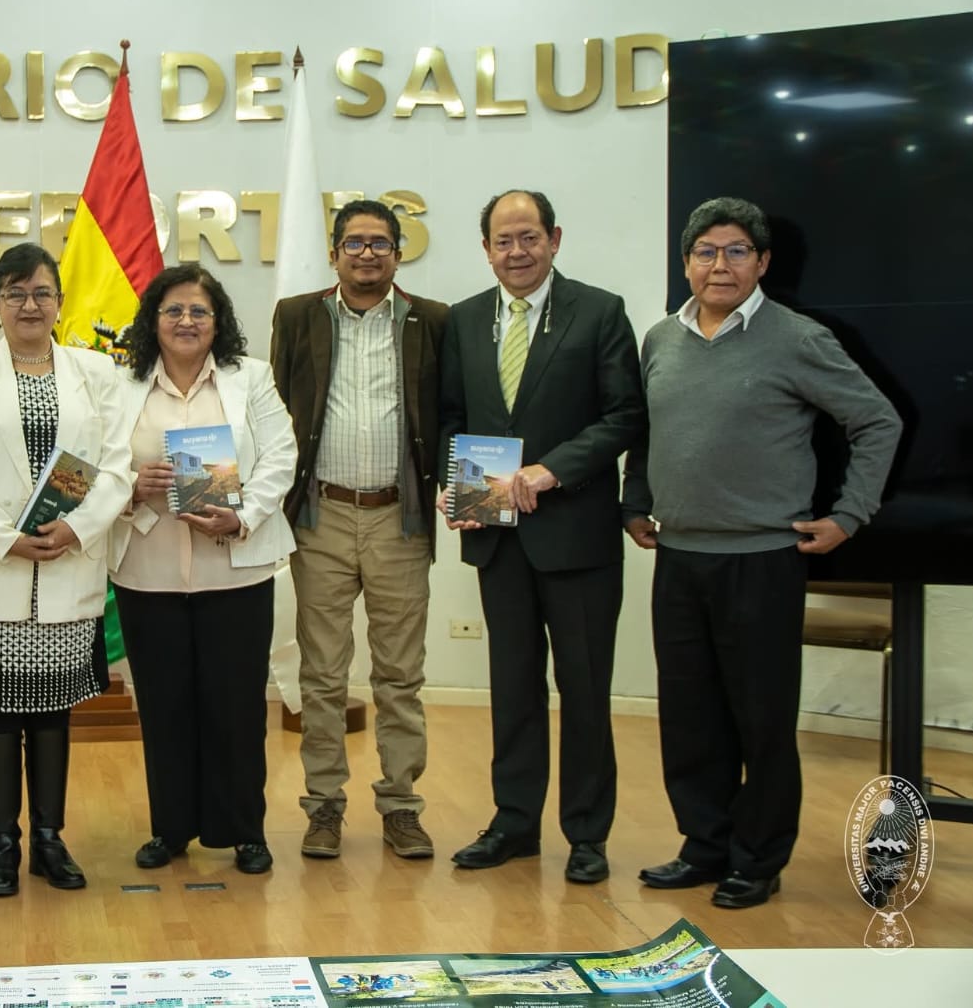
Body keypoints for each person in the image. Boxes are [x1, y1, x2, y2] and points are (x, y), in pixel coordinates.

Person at [623, 196, 900, 909]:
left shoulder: (798, 338)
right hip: (679, 557)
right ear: (687, 262)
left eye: (737, 251)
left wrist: (849, 515)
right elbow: (648, 432)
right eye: (706, 252)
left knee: (762, 721)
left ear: (763, 262)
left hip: (763, 560)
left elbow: (877, 421)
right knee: (690, 717)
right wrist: (635, 499)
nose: (720, 265)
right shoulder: (661, 339)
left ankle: (758, 858)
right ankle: (704, 846)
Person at [438, 190, 644, 884]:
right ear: (486, 249)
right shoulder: (465, 319)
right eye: (503, 240)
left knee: (584, 690)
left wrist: (553, 470)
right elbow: (454, 415)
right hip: (497, 537)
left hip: (577, 538)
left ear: (554, 239)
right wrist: (455, 483)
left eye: (529, 237)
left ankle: (587, 834)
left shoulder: (600, 311)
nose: (517, 252)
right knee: (513, 687)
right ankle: (514, 823)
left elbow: (624, 415)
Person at [0, 242, 131, 897]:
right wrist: (8, 539)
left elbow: (116, 467)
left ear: (59, 303)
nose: (29, 305)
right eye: (15, 293)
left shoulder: (96, 373)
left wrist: (77, 526)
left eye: (42, 292)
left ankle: (49, 840)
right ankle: (2, 845)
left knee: (53, 714)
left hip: (68, 563)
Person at [270, 199, 447, 860]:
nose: (366, 253)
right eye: (354, 242)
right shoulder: (297, 316)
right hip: (321, 518)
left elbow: (449, 414)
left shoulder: (433, 320)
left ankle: (401, 805)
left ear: (398, 253)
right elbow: (276, 409)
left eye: (379, 243)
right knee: (322, 674)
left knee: (400, 675)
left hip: (401, 521)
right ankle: (324, 805)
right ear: (334, 253)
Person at [110, 265, 297, 876]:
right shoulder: (121, 385)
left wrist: (241, 516)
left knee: (237, 708)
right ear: (153, 321)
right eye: (173, 310)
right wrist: (131, 486)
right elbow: (91, 462)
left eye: (199, 311)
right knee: (163, 706)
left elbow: (282, 457)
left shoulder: (252, 378)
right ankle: (170, 830)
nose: (186, 321)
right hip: (149, 571)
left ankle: (244, 831)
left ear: (219, 322)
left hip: (235, 570)